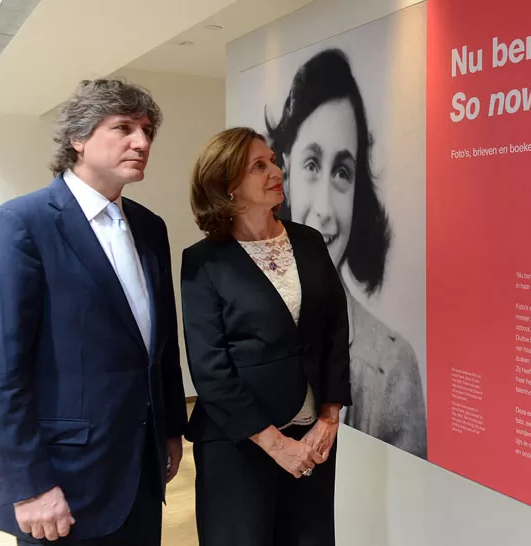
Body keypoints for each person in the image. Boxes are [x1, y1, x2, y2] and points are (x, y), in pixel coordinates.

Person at [0, 78, 187, 545]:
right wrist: (29, 485)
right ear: (77, 139)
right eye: (123, 127)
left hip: (140, 467)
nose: (141, 142)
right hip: (61, 480)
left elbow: (158, 341)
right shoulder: (19, 226)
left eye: (147, 131)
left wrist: (170, 430)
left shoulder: (149, 227)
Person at [181, 127, 352, 545]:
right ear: (227, 186)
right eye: (259, 166)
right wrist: (278, 447)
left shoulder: (309, 241)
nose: (276, 171)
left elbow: (334, 331)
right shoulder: (203, 262)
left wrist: (328, 420)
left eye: (273, 160)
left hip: (313, 440)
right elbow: (210, 367)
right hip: (239, 443)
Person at [265, 48, 427, 458]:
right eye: (312, 164)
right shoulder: (242, 302)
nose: (323, 208)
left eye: (342, 172)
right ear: (284, 172)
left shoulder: (394, 367)